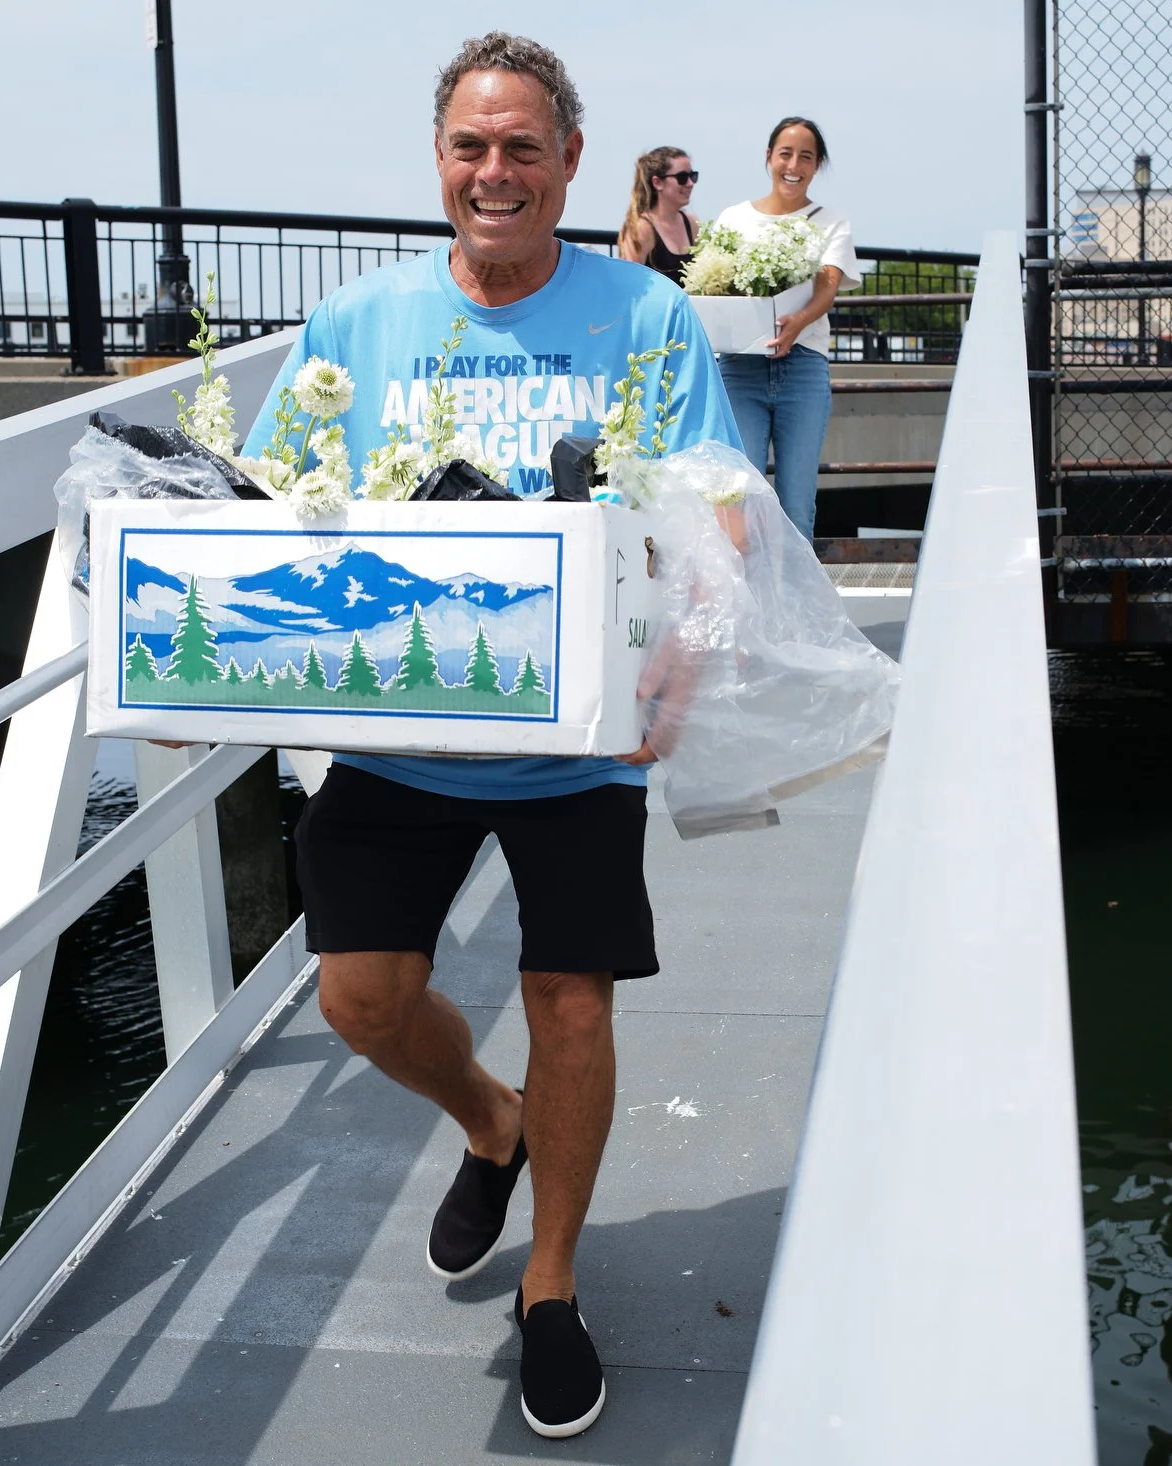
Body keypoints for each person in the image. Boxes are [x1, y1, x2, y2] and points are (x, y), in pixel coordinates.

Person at [235, 32, 741, 1441]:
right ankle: (488, 1120)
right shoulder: (360, 326)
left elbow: (717, 509)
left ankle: (554, 1283)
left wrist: (684, 667)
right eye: (472, 146)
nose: (496, 171)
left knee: (573, 1001)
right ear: (440, 161)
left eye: (525, 146)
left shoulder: (644, 316)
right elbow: (275, 501)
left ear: (573, 161)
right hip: (400, 726)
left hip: (575, 732)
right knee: (358, 997)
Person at [708, 117, 861, 541]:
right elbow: (715, 285)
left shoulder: (831, 220)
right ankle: (749, 602)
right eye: (785, 154)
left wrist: (798, 323)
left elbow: (827, 286)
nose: (794, 165)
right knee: (741, 493)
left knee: (797, 501)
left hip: (804, 367)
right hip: (741, 367)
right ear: (769, 157)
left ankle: (796, 606)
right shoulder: (734, 218)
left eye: (806, 157)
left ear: (817, 166)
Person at [616, 145, 700, 279]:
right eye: (682, 177)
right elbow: (627, 282)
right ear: (657, 182)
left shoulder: (691, 223)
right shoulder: (641, 228)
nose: (690, 183)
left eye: (693, 176)